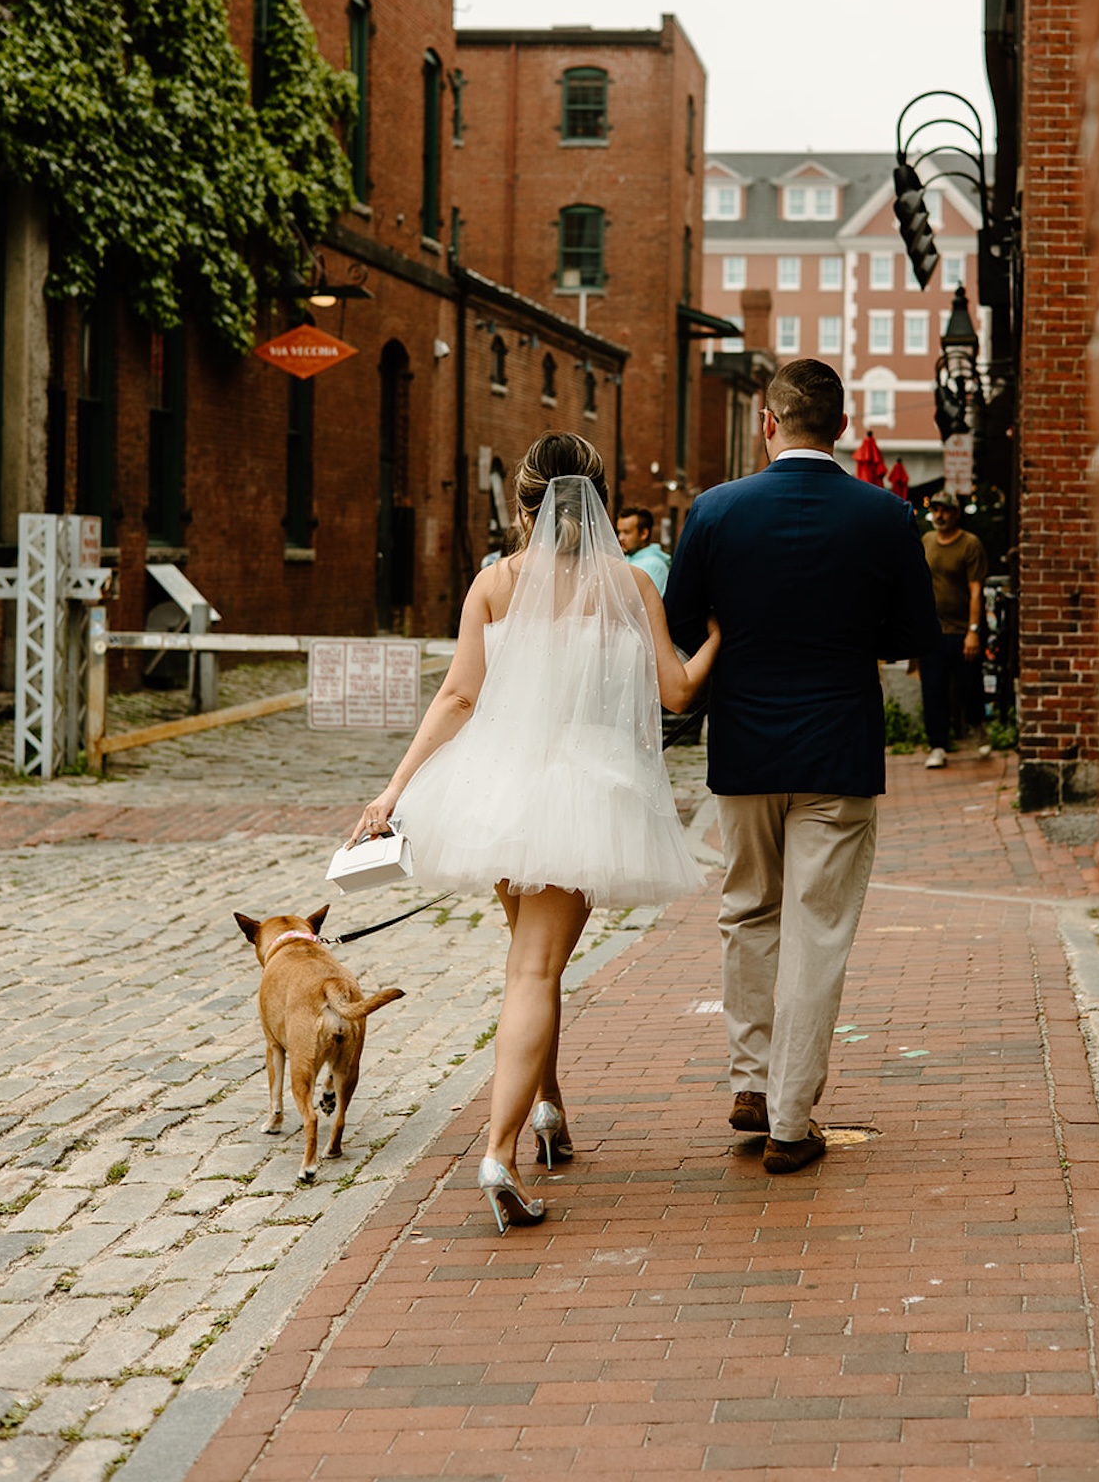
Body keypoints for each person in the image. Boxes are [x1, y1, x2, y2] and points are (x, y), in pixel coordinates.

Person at [349, 433, 718, 1234]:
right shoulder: (628, 587)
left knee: (529, 966)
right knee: (536, 971)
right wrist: (723, 634)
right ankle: (500, 1151)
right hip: (586, 793)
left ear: (524, 508)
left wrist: (395, 789)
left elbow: (455, 699)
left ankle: (548, 1107)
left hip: (499, 792)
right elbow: (679, 692)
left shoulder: (494, 584)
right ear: (593, 500)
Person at [664, 359, 938, 1174]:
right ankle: (789, 1116)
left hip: (744, 746)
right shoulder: (886, 517)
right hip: (838, 750)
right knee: (817, 929)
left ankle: (751, 1079)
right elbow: (909, 638)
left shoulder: (715, 511)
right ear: (843, 427)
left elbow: (681, 622)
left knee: (748, 912)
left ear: (767, 421)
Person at [918, 490, 990, 769]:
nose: (940, 515)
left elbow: (976, 590)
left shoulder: (970, 544)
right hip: (933, 629)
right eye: (936, 509)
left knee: (968, 686)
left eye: (945, 510)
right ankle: (937, 744)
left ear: (955, 513)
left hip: (962, 630)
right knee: (932, 689)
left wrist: (973, 629)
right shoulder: (926, 541)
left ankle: (977, 726)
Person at [616, 505, 671, 595]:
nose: (620, 537)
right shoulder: (628, 558)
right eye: (619, 532)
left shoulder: (654, 565)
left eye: (627, 532)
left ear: (643, 534)